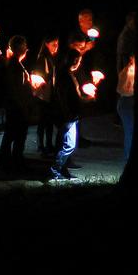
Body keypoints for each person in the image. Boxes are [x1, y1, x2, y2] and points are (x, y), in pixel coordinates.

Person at [48, 32, 89, 181]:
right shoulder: (64, 76)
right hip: (68, 115)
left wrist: (85, 99)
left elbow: (74, 95)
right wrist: (67, 113)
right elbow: (63, 97)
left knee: (64, 143)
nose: (79, 63)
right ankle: (55, 170)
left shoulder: (68, 74)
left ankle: (62, 170)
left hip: (71, 114)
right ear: (74, 61)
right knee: (68, 145)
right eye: (78, 60)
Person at [0, 36, 37, 174]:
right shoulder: (15, 66)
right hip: (17, 106)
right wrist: (24, 106)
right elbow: (16, 90)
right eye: (24, 46)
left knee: (12, 134)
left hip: (16, 105)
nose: (26, 48)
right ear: (20, 49)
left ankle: (9, 161)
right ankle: (13, 162)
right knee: (16, 135)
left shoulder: (15, 64)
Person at [116, 53, 136, 161]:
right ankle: (128, 158)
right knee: (130, 131)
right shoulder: (129, 71)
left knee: (130, 131)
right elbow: (121, 89)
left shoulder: (129, 70)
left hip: (127, 102)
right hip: (127, 102)